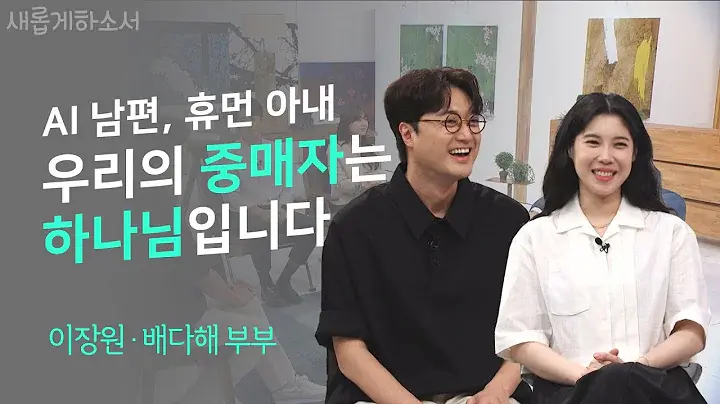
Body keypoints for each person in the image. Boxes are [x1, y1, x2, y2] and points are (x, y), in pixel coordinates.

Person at [315, 67, 532, 404]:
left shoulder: (508, 220)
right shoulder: (354, 227)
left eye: (473, 121)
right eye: (450, 122)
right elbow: (348, 349)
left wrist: (496, 393)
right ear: (408, 133)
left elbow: (526, 332)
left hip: (483, 396)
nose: (467, 135)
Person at [494, 93, 711, 404]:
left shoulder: (671, 233)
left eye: (620, 144)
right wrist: (589, 378)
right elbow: (520, 339)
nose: (606, 157)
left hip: (654, 388)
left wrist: (633, 370)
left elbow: (691, 330)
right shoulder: (534, 238)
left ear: (635, 153)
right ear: (570, 149)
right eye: (593, 142)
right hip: (567, 391)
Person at [220, 98, 320, 306]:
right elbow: (230, 194)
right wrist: (258, 211)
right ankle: (266, 284)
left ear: (261, 120)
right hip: (245, 213)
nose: (249, 124)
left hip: (277, 209)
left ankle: (283, 281)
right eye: (242, 119)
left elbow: (288, 186)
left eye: (253, 118)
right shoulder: (228, 154)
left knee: (312, 227)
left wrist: (281, 207)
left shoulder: (276, 149)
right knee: (260, 227)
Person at [329, 105, 386, 211]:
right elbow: (339, 184)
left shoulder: (371, 147)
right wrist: (363, 184)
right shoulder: (334, 148)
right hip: (346, 205)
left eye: (365, 119)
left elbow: (380, 174)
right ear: (347, 123)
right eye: (358, 120)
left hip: (371, 201)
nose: (364, 124)